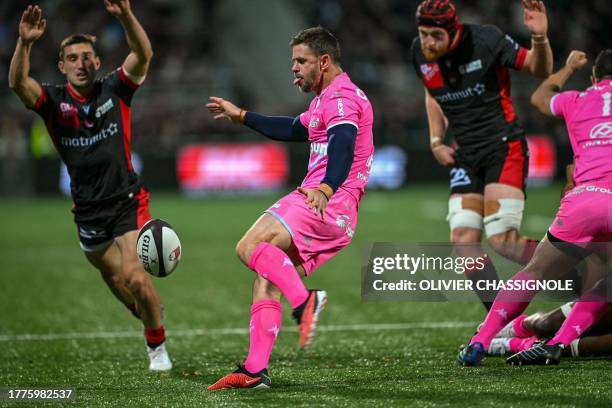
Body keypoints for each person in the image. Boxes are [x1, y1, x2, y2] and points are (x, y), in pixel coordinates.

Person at [205, 26, 374, 390]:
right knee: (266, 280)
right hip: (335, 211)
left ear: (324, 61)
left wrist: (327, 188)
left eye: (301, 61)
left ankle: (305, 302)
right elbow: (291, 129)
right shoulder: (324, 101)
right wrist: (242, 116)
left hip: (324, 200)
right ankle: (255, 371)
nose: (294, 68)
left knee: (248, 247)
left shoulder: (341, 98)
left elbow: (344, 143)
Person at [8, 1, 171, 371]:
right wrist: (25, 42)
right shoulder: (52, 102)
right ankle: (145, 311)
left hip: (128, 201)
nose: (81, 62)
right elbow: (17, 83)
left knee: (136, 277)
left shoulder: (115, 89)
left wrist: (126, 16)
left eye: (87, 56)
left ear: (97, 62)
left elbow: (143, 54)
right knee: (115, 279)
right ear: (62, 66)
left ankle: (156, 345)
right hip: (87, 209)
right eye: (72, 57)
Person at [458, 49, 612, 366]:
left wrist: (568, 68)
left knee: (535, 272)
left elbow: (541, 97)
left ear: (595, 77)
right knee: (606, 287)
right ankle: (557, 344)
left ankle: (480, 341)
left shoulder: (577, 99)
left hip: (583, 200)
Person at [411, 0, 553, 310]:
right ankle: (498, 320)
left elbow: (539, 69)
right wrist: (436, 140)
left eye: (435, 35)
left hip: (502, 147)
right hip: (465, 154)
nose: (428, 43)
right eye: (423, 34)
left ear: (454, 30)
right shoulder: (419, 52)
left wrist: (539, 37)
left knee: (503, 241)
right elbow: (431, 92)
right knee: (463, 241)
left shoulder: (486, 40)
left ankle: (576, 273)